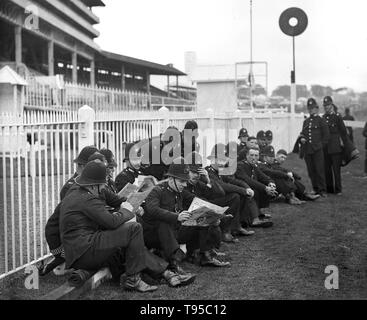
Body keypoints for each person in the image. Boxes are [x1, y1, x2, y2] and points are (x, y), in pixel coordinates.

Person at [142, 158, 225, 270]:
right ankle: (174, 264)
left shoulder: (179, 191)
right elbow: (152, 210)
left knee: (202, 217)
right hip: (156, 235)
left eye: (186, 181)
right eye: (182, 181)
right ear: (171, 179)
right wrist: (176, 216)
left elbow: (198, 201)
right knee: (164, 223)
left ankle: (204, 255)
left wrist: (217, 214)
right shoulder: (157, 190)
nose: (185, 185)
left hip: (175, 232)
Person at [205, 143, 256, 241]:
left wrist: (247, 188)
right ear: (212, 159)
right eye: (219, 159)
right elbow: (224, 186)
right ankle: (225, 231)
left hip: (219, 201)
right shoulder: (208, 172)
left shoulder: (220, 171)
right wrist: (243, 190)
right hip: (209, 203)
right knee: (234, 196)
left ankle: (236, 226)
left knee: (239, 195)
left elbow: (233, 181)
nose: (221, 162)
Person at [298, 98, 330, 197]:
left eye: (312, 108)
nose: (311, 110)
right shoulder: (306, 121)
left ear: (317, 108)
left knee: (319, 170)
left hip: (317, 150)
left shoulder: (321, 120)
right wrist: (302, 138)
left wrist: (320, 146)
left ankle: (322, 190)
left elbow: (326, 136)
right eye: (309, 108)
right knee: (311, 171)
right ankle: (315, 189)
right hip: (308, 150)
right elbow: (302, 133)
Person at [235, 148, 278, 218]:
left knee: (262, 188)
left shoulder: (254, 166)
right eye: (251, 155)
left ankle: (258, 212)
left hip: (249, 188)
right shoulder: (240, 165)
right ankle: (254, 217)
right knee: (258, 190)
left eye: (256, 155)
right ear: (246, 156)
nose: (253, 158)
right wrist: (265, 188)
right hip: (241, 189)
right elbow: (248, 180)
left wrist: (271, 183)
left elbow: (263, 176)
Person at [322, 96, 348, 195]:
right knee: (327, 170)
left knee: (336, 170)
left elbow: (343, 131)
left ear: (332, 105)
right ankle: (329, 189)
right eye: (324, 105)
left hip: (336, 148)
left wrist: (342, 143)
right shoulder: (323, 117)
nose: (326, 107)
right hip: (326, 148)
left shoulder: (337, 116)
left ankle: (338, 189)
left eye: (328, 105)